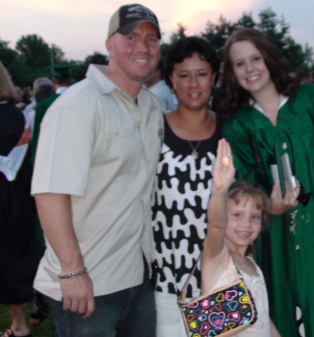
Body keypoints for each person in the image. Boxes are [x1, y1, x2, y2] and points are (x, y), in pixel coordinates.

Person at [221, 28, 314, 337]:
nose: (249, 69)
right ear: (232, 72)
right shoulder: (239, 124)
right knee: (286, 312)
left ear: (269, 58)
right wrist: (269, 206)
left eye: (255, 58)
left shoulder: (312, 100)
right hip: (276, 240)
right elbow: (247, 189)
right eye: (239, 64)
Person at [31, 4, 164, 336]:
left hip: (139, 275)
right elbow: (50, 193)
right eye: (130, 36)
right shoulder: (77, 106)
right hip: (89, 285)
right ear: (109, 44)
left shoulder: (150, 105)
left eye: (151, 38)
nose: (142, 47)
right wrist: (73, 271)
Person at [150, 36, 225, 336]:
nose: (194, 83)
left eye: (202, 73)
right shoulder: (153, 130)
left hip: (219, 278)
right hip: (165, 281)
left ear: (214, 78)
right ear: (171, 80)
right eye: (184, 75)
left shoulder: (231, 131)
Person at [202, 139, 280, 337]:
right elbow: (216, 225)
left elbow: (262, 316)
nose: (246, 224)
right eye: (237, 215)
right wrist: (220, 190)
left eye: (254, 217)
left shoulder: (252, 265)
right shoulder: (218, 257)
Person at [0, 61, 40, 337]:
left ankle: (19, 322)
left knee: (4, 259)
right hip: (24, 196)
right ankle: (39, 302)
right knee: (27, 248)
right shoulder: (21, 117)